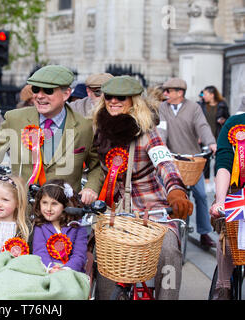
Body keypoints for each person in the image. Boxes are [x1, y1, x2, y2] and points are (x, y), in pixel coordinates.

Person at [93, 76, 193, 300]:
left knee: (169, 252)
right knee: (103, 256)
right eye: (109, 96)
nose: (114, 101)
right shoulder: (99, 132)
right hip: (114, 211)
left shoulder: (147, 131)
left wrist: (176, 192)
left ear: (133, 101)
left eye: (121, 97)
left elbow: (165, 163)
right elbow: (91, 168)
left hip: (152, 209)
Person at [0, 65, 102, 207]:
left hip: (64, 216)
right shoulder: (15, 119)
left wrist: (91, 187)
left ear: (66, 94)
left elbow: (96, 165)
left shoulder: (84, 126)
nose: (39, 95)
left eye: (48, 91)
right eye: (35, 89)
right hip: (23, 212)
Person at [158, 77, 217, 249]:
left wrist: (211, 143)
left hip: (191, 158)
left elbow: (202, 126)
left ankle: (204, 233)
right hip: (171, 158)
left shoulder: (194, 108)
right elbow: (161, 130)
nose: (165, 94)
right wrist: (161, 148)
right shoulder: (163, 108)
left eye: (168, 91)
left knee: (200, 194)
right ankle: (165, 228)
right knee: (164, 193)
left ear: (179, 93)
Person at [209, 112, 245, 299]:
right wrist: (221, 201)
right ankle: (223, 288)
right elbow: (223, 164)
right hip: (236, 193)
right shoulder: (235, 124)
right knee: (228, 239)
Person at [31, 180, 87, 273]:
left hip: (70, 271)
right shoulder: (40, 225)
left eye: (54, 204)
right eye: (44, 202)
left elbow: (79, 255)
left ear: (65, 205)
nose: (48, 208)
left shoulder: (78, 226)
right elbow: (39, 252)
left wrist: (65, 269)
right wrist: (51, 268)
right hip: (46, 269)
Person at [199, 85, 230, 187]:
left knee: (218, 160)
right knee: (206, 160)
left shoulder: (222, 105)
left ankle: (217, 183)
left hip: (218, 135)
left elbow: (228, 119)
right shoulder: (201, 105)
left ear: (212, 95)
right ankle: (207, 182)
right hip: (205, 136)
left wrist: (223, 120)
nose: (203, 96)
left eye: (205, 94)